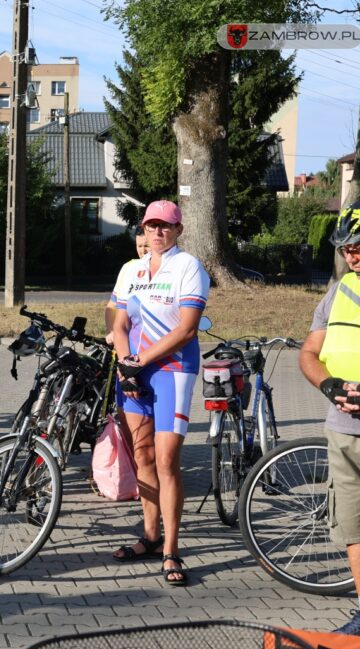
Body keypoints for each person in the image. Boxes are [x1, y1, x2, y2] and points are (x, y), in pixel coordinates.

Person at [110, 200, 209, 587]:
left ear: (178, 230)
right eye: (152, 225)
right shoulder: (130, 269)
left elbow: (186, 329)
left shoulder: (189, 267)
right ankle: (150, 537)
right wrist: (125, 362)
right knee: (142, 456)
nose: (158, 232)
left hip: (172, 371)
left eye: (165, 226)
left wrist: (140, 360)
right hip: (134, 369)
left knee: (167, 460)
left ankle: (171, 549)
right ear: (144, 229)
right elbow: (118, 323)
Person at [297, 198, 360, 637]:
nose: (353, 256)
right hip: (345, 432)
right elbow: (310, 353)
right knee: (356, 527)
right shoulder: (340, 290)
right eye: (347, 249)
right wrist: (328, 385)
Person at [105, 227, 149, 345]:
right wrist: (112, 332)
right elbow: (112, 305)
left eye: (146, 246)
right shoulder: (128, 268)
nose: (143, 251)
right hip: (126, 341)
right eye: (139, 246)